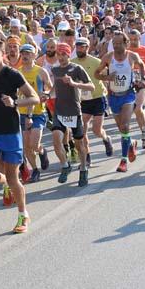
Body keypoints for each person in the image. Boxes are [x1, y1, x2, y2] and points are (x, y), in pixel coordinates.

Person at [0, 39, 38, 233]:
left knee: (14, 178)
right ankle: (4, 182)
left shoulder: (13, 74)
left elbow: (34, 97)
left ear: (3, 53)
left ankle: (23, 215)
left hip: (10, 132)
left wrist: (15, 102)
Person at [95, 32, 145, 173]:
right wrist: (106, 77)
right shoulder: (108, 57)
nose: (116, 46)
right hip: (113, 97)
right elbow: (96, 74)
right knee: (122, 130)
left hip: (128, 95)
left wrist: (143, 79)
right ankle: (131, 143)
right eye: (114, 43)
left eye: (119, 43)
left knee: (125, 125)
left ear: (126, 43)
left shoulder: (132, 56)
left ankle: (123, 161)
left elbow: (142, 65)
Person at [50, 43, 95, 186]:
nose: (61, 57)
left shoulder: (76, 69)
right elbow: (54, 87)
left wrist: (74, 84)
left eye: (64, 54)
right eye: (59, 54)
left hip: (74, 111)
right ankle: (65, 165)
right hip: (59, 111)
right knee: (56, 140)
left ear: (69, 55)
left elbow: (91, 86)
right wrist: (46, 94)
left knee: (79, 144)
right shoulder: (55, 69)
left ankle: (83, 169)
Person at [72, 37, 114, 161]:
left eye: (82, 46)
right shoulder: (72, 63)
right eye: (78, 46)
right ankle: (87, 156)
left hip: (97, 97)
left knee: (96, 130)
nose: (79, 49)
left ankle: (106, 138)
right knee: (82, 131)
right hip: (83, 101)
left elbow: (107, 75)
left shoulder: (96, 61)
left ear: (87, 47)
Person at [17, 44, 51, 182]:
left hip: (38, 112)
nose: (25, 56)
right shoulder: (17, 72)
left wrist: (46, 94)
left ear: (33, 55)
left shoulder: (41, 71)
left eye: (28, 53)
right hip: (22, 113)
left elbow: (51, 88)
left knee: (34, 143)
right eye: (23, 53)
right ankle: (35, 169)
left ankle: (42, 151)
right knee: (26, 146)